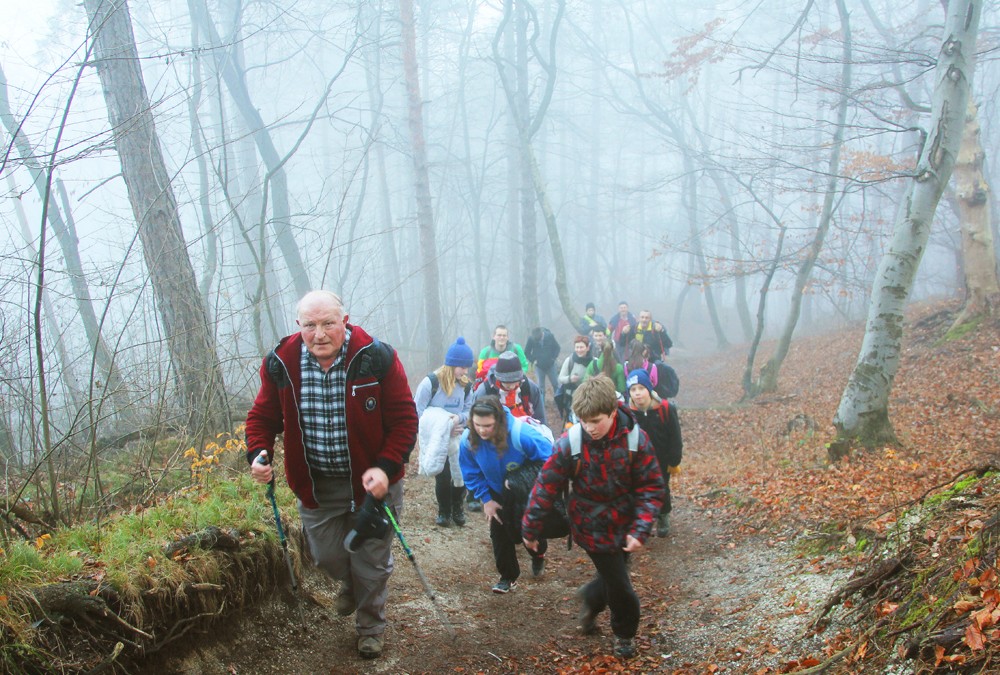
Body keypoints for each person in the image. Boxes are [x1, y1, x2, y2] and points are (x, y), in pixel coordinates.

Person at [245, 290, 418, 660]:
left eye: (328, 323)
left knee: (370, 563)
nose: (319, 334)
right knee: (325, 556)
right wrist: (258, 454)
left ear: (345, 321)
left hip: (374, 485)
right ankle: (352, 584)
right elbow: (262, 417)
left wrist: (386, 468)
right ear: (299, 326)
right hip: (317, 484)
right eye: (310, 325)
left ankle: (371, 628)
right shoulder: (282, 362)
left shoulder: (375, 358)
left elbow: (404, 420)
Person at [521, 376, 664, 659]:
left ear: (613, 412)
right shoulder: (570, 442)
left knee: (614, 575)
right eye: (583, 420)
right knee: (621, 585)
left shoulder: (636, 438)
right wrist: (530, 528)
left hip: (625, 521)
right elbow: (545, 485)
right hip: (590, 524)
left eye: (596, 421)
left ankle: (591, 598)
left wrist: (641, 527)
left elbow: (651, 486)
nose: (589, 428)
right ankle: (624, 634)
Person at [459, 395, 553, 593]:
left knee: (527, 528)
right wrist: (486, 499)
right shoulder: (468, 441)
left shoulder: (521, 434)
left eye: (488, 425)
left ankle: (538, 554)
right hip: (495, 490)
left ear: (499, 421)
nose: (482, 430)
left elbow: (549, 459)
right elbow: (470, 472)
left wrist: (523, 480)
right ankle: (507, 576)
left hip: (523, 489)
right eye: (477, 425)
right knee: (499, 532)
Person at [414, 337, 476, 528]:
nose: (465, 371)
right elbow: (417, 411)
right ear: (452, 365)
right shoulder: (430, 383)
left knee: (460, 472)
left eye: (467, 367)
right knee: (442, 473)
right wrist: (440, 428)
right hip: (437, 437)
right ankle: (444, 510)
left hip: (458, 436)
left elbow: (468, 411)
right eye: (462, 367)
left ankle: (458, 506)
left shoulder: (466, 386)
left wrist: (459, 421)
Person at [626, 368, 682, 536]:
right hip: (638, 461)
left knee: (662, 488)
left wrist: (674, 461)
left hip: (662, 459)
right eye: (633, 389)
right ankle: (643, 520)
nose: (637, 394)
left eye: (641, 388)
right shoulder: (627, 413)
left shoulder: (665, 408)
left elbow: (675, 436)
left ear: (649, 389)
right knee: (638, 490)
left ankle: (663, 514)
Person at [473, 350, 547, 425]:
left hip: (526, 430)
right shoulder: (485, 392)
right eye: (507, 383)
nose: (512, 387)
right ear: (498, 378)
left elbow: (540, 418)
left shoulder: (529, 387)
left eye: (515, 382)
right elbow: (475, 421)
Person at [556, 335, 593, 424]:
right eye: (577, 347)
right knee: (573, 421)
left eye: (581, 347)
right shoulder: (569, 361)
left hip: (589, 397)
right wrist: (569, 379)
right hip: (572, 398)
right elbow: (561, 378)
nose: (579, 350)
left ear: (587, 348)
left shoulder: (594, 362)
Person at [524, 326, 561, 403]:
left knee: (555, 384)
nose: (538, 341)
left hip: (551, 365)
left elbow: (557, 348)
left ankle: (559, 401)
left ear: (542, 334)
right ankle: (541, 405)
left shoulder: (550, 336)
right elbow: (527, 352)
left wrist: (553, 358)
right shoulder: (531, 339)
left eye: (539, 340)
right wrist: (533, 360)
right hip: (539, 367)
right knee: (541, 387)